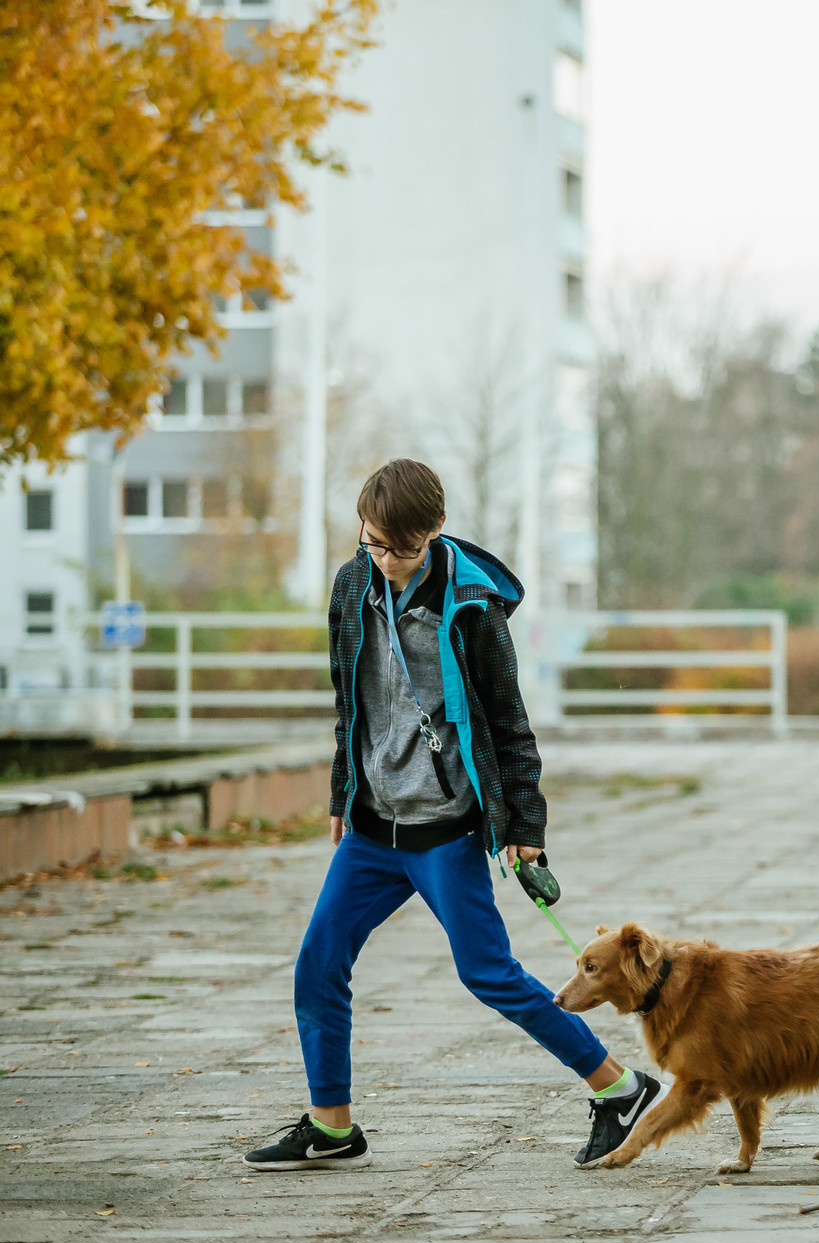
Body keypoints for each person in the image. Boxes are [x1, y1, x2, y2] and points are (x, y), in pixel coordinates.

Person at [245, 459, 662, 1173]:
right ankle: (333, 1127)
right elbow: (349, 704)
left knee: (488, 973)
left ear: (435, 530)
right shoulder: (351, 585)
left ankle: (619, 1088)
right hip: (373, 830)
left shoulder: (473, 606)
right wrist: (344, 791)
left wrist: (525, 828)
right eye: (373, 543)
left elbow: (510, 724)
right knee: (318, 964)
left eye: (400, 549)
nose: (385, 560)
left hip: (444, 831)